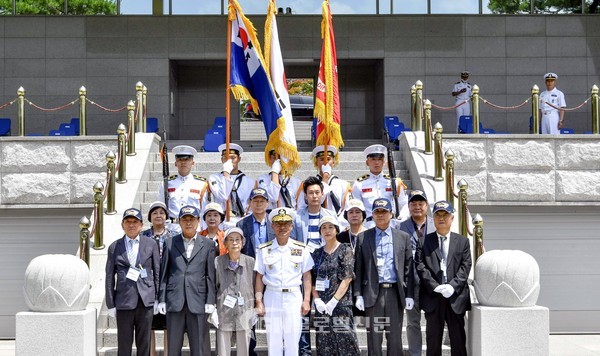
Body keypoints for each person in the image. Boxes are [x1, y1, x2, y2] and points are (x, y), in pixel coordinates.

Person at [354, 198, 414, 356]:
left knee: (395, 338)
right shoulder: (363, 237)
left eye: (384, 211)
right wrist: (358, 294)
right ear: (372, 215)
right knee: (374, 338)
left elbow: (409, 268)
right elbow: (358, 268)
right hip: (373, 292)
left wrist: (409, 294)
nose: (380, 215)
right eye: (377, 212)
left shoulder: (403, 237)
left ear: (391, 213)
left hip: (394, 292)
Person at [157, 205, 217, 356]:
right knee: (173, 347)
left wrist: (211, 300)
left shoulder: (208, 244)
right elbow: (164, 272)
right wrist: (162, 298)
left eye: (192, 219)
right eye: (184, 219)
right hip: (174, 300)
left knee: (199, 348)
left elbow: (210, 274)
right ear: (179, 222)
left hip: (198, 300)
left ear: (198, 221)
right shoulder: (170, 242)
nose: (188, 222)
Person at [254, 207, 314, 356]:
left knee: (293, 339)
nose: (282, 227)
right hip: (272, 296)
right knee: (273, 340)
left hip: (293, 296)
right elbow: (259, 277)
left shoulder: (301, 249)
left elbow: (307, 276)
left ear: (292, 226)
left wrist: (307, 300)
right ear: (272, 226)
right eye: (278, 224)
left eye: (286, 224)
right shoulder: (264, 249)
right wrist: (259, 302)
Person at [415, 201, 472, 356]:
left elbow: (466, 266)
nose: (441, 218)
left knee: (458, 339)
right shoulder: (423, 241)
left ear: (452, 218)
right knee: (433, 340)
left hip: (455, 297)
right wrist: (434, 286)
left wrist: (453, 286)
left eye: (445, 215)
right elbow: (420, 266)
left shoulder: (462, 241)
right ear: (432, 218)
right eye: (438, 215)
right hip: (433, 297)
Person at [105, 208, 160, 356]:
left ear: (141, 225)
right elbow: (110, 277)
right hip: (124, 302)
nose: (131, 225)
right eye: (128, 222)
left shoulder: (151, 244)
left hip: (145, 301)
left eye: (135, 222)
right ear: (122, 224)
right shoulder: (114, 247)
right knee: (124, 345)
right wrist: (111, 304)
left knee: (145, 344)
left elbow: (157, 272)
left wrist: (157, 299)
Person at [311, 216, 360, 356]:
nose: (327, 231)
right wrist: (317, 300)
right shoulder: (317, 253)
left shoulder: (345, 249)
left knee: (346, 344)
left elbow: (347, 277)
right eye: (324, 228)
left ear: (337, 230)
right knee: (324, 344)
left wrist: (334, 301)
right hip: (322, 307)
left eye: (330, 227)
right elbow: (311, 279)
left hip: (340, 305)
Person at [398, 190, 435, 356]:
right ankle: (415, 353)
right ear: (409, 206)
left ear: (427, 206)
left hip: (432, 283)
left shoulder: (436, 225)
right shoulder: (401, 227)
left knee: (433, 321)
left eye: (421, 204)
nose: (417, 207)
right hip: (411, 283)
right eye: (414, 204)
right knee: (413, 322)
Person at [141, 201, 177, 356]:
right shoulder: (143, 236)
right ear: (150, 216)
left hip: (168, 283)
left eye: (161, 213)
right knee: (150, 325)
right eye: (155, 213)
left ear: (166, 216)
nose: (158, 216)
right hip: (148, 284)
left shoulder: (174, 237)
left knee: (168, 325)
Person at [215, 227, 256, 356]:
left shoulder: (250, 262)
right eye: (230, 240)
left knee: (244, 349)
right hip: (224, 310)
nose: (234, 243)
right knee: (223, 350)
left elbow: (255, 285)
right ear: (225, 243)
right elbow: (214, 285)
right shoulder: (218, 262)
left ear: (242, 243)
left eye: (237, 240)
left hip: (245, 310)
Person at [351, 144, 408, 227]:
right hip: (370, 224)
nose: (377, 162)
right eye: (373, 159)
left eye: (380, 159)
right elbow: (356, 207)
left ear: (384, 162)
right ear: (367, 162)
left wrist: (401, 217)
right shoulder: (359, 184)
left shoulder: (394, 181)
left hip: (391, 223)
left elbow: (405, 203)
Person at [157, 145, 210, 223]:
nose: (183, 162)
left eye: (187, 159)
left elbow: (205, 209)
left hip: (193, 225)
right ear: (175, 163)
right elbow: (160, 207)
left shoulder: (201, 184)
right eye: (180, 160)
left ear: (193, 162)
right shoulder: (167, 183)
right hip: (173, 226)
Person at [297, 146, 351, 217]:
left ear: (333, 162)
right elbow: (302, 207)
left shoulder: (343, 185)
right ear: (317, 163)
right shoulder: (307, 184)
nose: (325, 163)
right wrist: (325, 179)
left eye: (328, 159)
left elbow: (348, 208)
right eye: (322, 159)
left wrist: (337, 223)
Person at [208, 143, 255, 225]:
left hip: (242, 219)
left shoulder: (249, 181)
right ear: (221, 160)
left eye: (233, 158)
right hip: (222, 221)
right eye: (226, 158)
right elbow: (223, 195)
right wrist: (226, 172)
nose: (229, 161)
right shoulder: (215, 178)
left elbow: (251, 205)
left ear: (239, 159)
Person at [297, 176, 342, 252]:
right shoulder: (297, 216)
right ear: (305, 195)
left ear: (322, 194)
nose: (314, 196)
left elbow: (336, 238)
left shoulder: (331, 215)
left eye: (317, 192)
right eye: (311, 193)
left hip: (325, 256)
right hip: (304, 257)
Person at [237, 187, 275, 258]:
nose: (259, 204)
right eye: (255, 201)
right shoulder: (241, 224)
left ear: (267, 203)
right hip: (250, 265)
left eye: (262, 201)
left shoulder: (274, 223)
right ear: (249, 202)